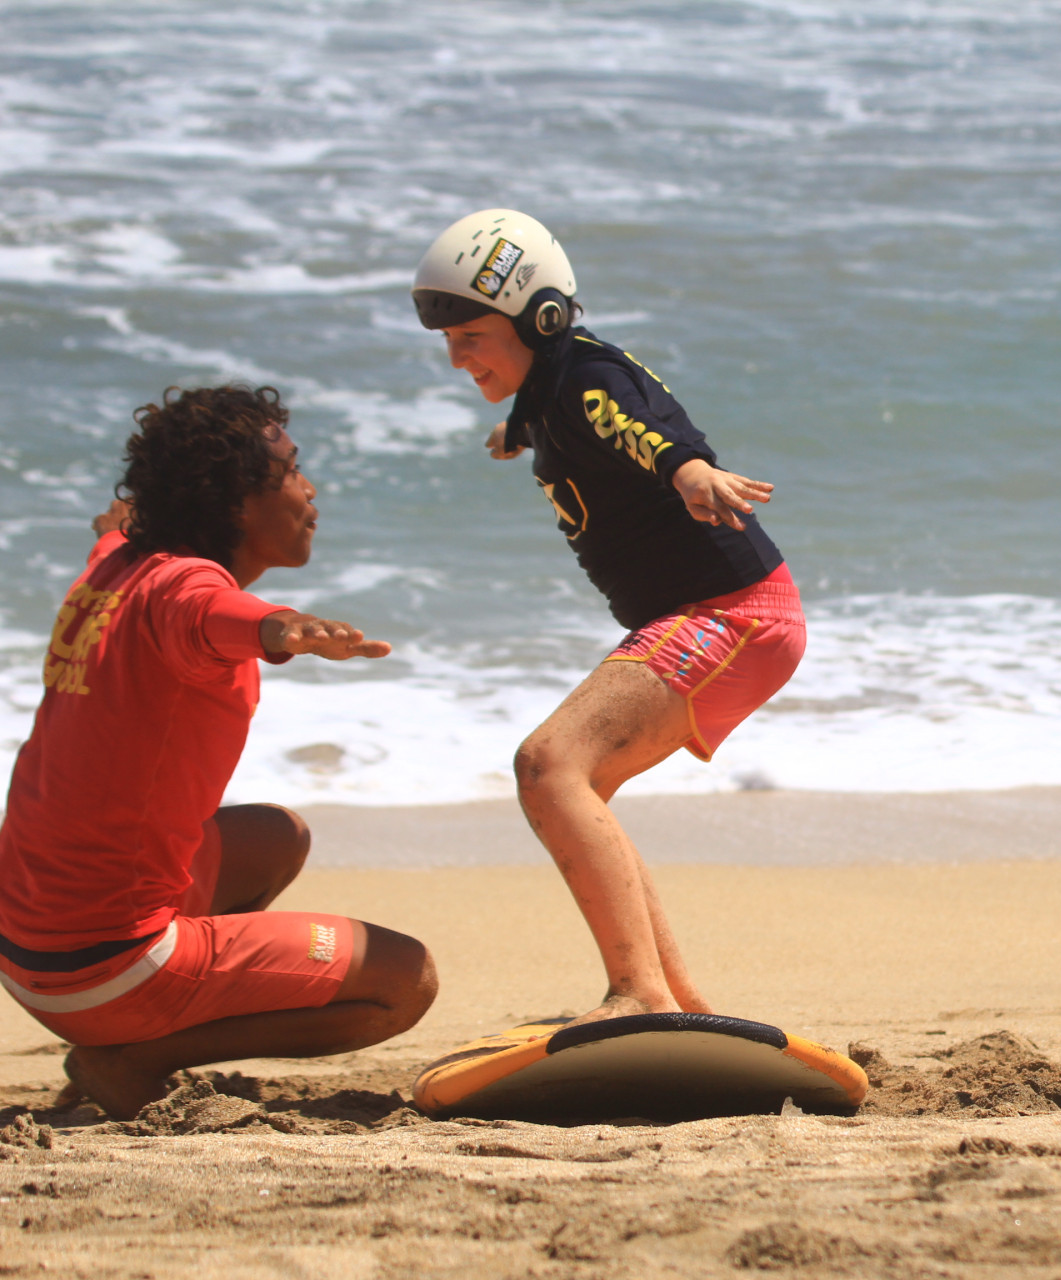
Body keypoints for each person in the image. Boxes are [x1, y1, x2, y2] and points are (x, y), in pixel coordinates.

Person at [0, 385, 438, 1120]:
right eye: (291, 471)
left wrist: (123, 518)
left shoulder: (118, 564)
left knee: (276, 836)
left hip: (25, 946)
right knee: (406, 980)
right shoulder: (185, 589)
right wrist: (285, 628)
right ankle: (136, 1057)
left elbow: (113, 528)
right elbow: (214, 613)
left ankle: (141, 1023)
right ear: (235, 502)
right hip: (105, 970)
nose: (309, 489)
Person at [411, 209, 804, 1026]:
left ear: (541, 318)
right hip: (711, 615)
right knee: (575, 784)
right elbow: (570, 413)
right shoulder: (550, 390)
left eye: (471, 336)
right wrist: (519, 431)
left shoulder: (587, 378)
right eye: (447, 340)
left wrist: (689, 469)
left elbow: (633, 423)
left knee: (548, 765)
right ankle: (678, 1005)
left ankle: (639, 992)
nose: (456, 357)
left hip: (731, 614)